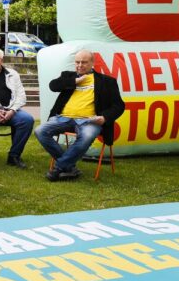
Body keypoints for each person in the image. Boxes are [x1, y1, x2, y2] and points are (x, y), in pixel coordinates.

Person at [35, 49, 125, 182]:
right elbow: (53, 86)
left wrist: (104, 118)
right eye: (77, 62)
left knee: (87, 135)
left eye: (84, 62)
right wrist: (74, 82)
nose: (80, 65)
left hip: (89, 121)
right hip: (63, 118)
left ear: (92, 63)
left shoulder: (106, 81)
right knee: (40, 131)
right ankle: (69, 167)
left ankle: (59, 167)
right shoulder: (68, 76)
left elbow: (119, 105)